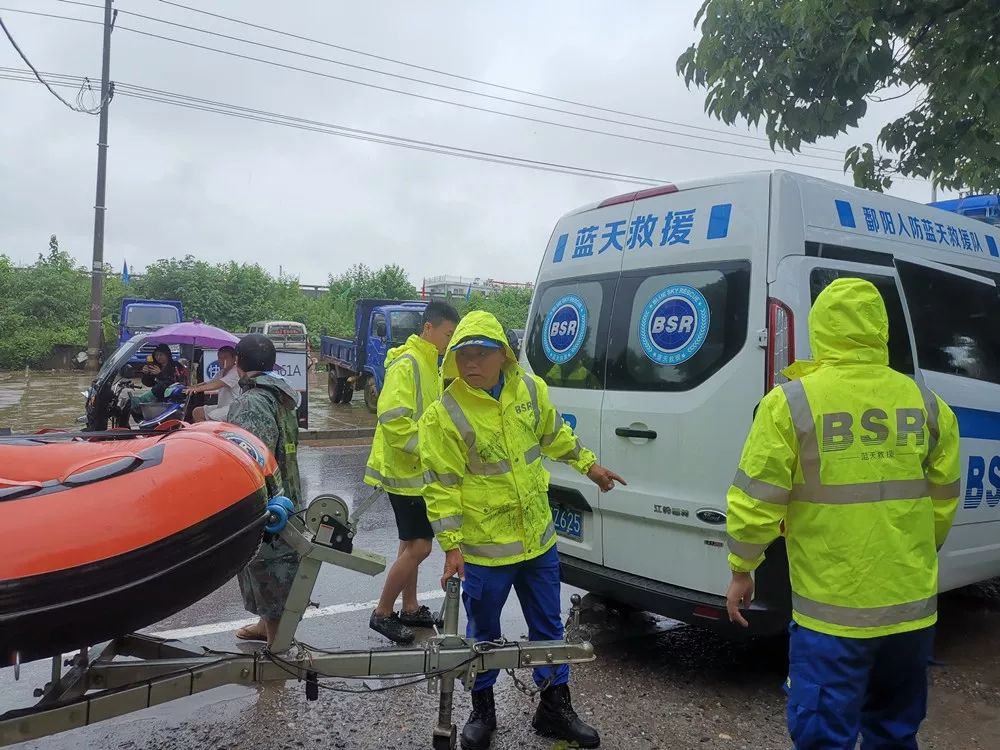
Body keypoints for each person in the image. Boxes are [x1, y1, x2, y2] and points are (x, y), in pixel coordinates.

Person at [724, 278, 961, 750]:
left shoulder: (791, 404)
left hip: (833, 619)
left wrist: (742, 569)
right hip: (910, 614)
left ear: (821, 329)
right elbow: (942, 504)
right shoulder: (929, 406)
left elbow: (756, 500)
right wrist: (911, 555)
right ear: (880, 329)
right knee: (894, 732)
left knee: (823, 737)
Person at [420, 310, 625, 750]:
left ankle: (554, 708)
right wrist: (451, 546)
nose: (471, 363)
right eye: (463, 355)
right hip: (485, 551)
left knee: (548, 627)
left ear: (504, 356)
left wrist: (590, 466)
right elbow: (442, 485)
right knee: (482, 634)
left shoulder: (530, 389)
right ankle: (482, 711)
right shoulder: (446, 413)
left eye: (481, 354)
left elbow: (555, 435)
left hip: (538, 541)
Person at [366, 301, 460, 644]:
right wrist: (430, 448)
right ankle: (382, 612)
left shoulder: (429, 361)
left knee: (409, 544)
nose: (449, 341)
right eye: (448, 334)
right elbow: (393, 420)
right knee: (421, 547)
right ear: (429, 329)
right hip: (406, 470)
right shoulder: (408, 363)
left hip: (415, 471)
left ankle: (409, 606)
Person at [226, 333, 303, 646]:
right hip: (288, 495)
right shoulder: (280, 396)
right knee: (268, 568)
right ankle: (264, 626)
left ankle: (278, 648)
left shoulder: (252, 402)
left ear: (238, 364)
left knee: (268, 569)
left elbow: (251, 459)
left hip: (270, 505)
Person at [131, 343, 188, 418]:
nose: (158, 357)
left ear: (167, 355)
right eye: (156, 355)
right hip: (157, 394)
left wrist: (160, 374)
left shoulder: (176, 366)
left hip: (170, 397)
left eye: (161, 355)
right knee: (133, 404)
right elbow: (148, 383)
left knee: (138, 402)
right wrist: (146, 374)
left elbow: (176, 383)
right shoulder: (156, 366)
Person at [187, 346, 239, 422]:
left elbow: (217, 384)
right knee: (197, 412)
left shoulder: (235, 372)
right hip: (222, 406)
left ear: (234, 359)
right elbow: (209, 383)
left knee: (212, 417)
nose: (221, 360)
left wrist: (196, 389)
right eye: (219, 357)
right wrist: (192, 386)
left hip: (232, 408)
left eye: (225, 357)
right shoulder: (221, 372)